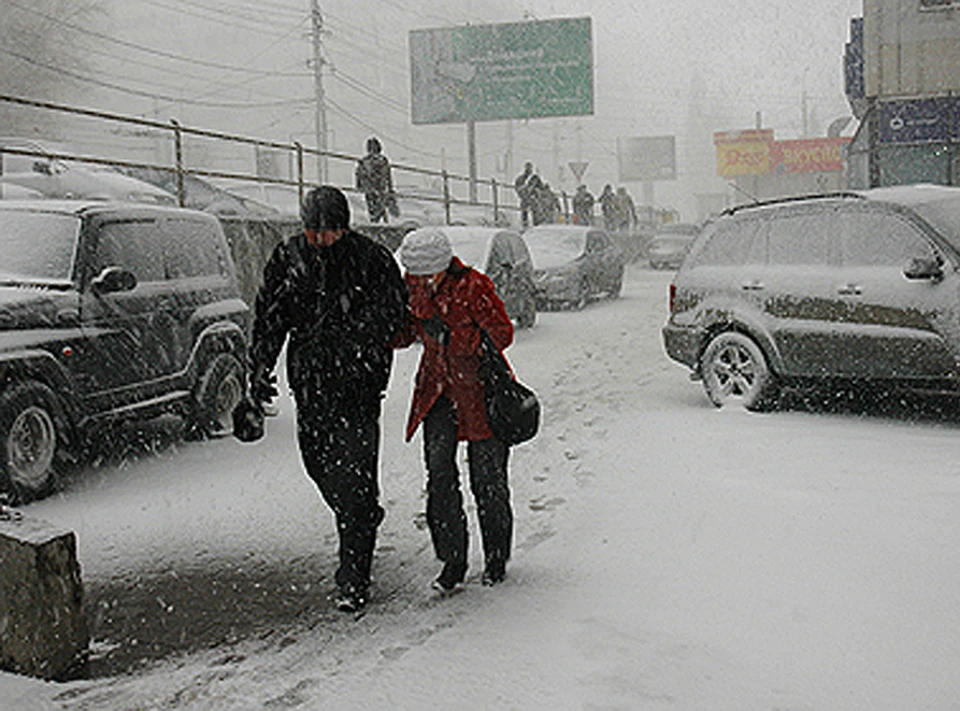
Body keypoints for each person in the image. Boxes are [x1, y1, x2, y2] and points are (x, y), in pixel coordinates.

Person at [240, 185, 407, 613]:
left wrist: (349, 339)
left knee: (355, 474)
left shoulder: (371, 260)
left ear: (344, 227)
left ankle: (354, 576)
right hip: (310, 384)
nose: (318, 240)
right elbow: (270, 318)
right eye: (312, 231)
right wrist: (259, 369)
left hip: (359, 386)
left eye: (327, 232)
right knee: (318, 465)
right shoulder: (289, 257)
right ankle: (362, 516)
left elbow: (392, 315)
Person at [391, 227, 516, 592]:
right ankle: (452, 560)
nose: (423, 281)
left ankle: (496, 557)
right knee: (439, 477)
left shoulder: (474, 285)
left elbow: (502, 333)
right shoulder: (412, 286)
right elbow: (405, 334)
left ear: (445, 264)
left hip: (481, 394)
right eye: (416, 275)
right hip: (438, 395)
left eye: (429, 274)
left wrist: (455, 338)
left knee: (488, 481)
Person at [355, 137, 395, 223]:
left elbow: (359, 175)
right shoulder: (383, 160)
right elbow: (388, 177)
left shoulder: (364, 161)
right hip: (381, 190)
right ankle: (382, 225)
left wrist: (360, 186)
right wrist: (390, 189)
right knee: (381, 210)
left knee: (373, 211)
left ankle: (375, 223)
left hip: (369, 191)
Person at [514, 161, 537, 228]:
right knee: (524, 212)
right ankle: (525, 224)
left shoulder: (534, 178)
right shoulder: (521, 178)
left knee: (533, 211)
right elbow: (517, 187)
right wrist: (523, 194)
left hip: (532, 198)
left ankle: (533, 224)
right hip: (525, 197)